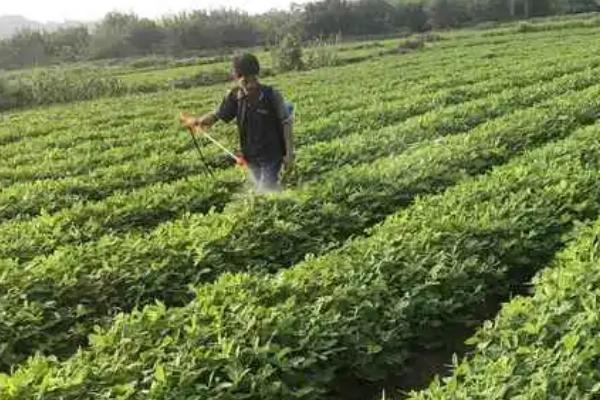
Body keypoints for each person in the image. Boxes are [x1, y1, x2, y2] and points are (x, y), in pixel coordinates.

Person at [181, 53, 294, 193]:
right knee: (262, 191)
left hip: (271, 155)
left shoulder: (271, 95)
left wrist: (289, 153)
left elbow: (286, 122)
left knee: (266, 192)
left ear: (244, 75)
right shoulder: (235, 96)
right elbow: (217, 115)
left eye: (236, 73)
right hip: (251, 156)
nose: (246, 83)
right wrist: (197, 122)